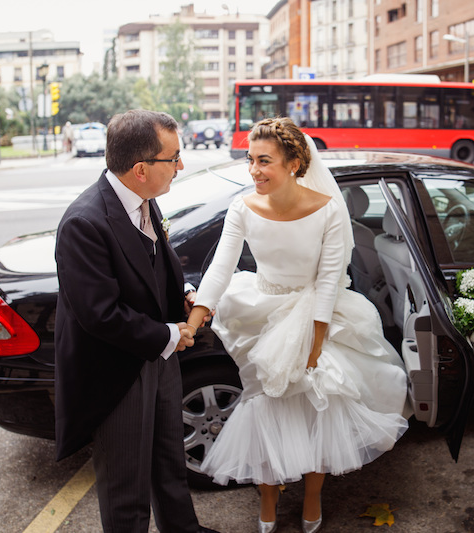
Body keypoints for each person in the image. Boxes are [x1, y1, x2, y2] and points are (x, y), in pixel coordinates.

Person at [186, 117, 409, 533]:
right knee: (265, 409)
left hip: (318, 316)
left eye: (264, 161)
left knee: (316, 414)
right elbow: (220, 269)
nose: (253, 170)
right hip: (263, 316)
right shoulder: (242, 207)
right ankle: (268, 500)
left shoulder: (327, 210)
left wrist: (316, 342)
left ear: (293, 163)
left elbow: (328, 279)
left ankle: (311, 497)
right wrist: (195, 319)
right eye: (250, 160)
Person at [54, 109, 218, 533]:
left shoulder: (144, 199)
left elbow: (155, 267)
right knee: (126, 486)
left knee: (169, 462)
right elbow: (100, 314)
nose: (181, 167)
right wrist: (169, 333)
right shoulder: (83, 223)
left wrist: (181, 295)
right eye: (174, 158)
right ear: (142, 168)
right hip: (116, 371)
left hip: (157, 357)